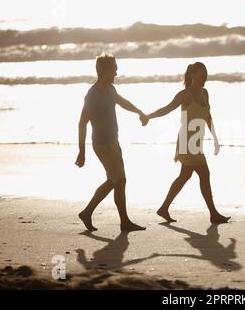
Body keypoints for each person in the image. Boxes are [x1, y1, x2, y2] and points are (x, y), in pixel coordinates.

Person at [145, 62, 230, 224]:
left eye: (205, 76)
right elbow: (167, 109)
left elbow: (208, 116)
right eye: (200, 77)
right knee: (204, 174)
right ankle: (213, 214)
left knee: (185, 176)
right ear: (191, 76)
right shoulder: (185, 95)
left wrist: (215, 138)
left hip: (196, 142)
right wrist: (149, 116)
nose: (203, 80)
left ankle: (163, 208)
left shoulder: (205, 93)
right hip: (186, 142)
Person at [75, 53, 148, 232]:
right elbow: (82, 123)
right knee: (119, 180)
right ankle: (123, 222)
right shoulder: (92, 95)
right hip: (102, 144)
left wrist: (139, 111)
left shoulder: (110, 89)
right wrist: (81, 151)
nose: (117, 72)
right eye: (114, 68)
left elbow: (122, 102)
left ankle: (88, 212)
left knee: (115, 180)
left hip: (113, 142)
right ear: (105, 71)